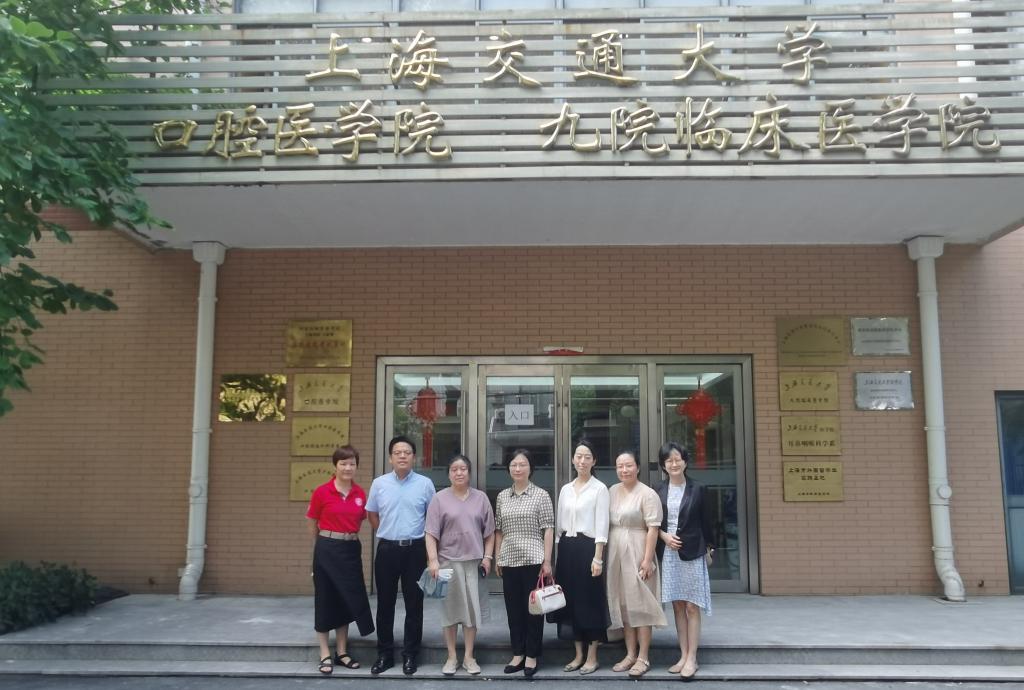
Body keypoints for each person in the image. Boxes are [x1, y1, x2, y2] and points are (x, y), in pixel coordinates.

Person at [366, 435, 436, 676]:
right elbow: (372, 514)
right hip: (387, 549)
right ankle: (384, 654)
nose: (402, 456)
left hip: (415, 549)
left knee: (414, 604)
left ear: (414, 457)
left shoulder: (425, 484)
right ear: (390, 458)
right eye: (398, 452)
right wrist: (388, 533)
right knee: (385, 604)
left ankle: (410, 655)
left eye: (407, 452)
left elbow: (433, 518)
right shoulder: (379, 483)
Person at [424, 453, 496, 677]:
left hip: (473, 563)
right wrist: (433, 560)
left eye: (463, 469)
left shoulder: (481, 498)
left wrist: (487, 557)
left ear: (469, 473)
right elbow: (430, 533)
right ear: (449, 473)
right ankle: (452, 656)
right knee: (450, 612)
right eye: (454, 469)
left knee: (471, 612)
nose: (459, 473)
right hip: (447, 562)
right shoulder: (439, 499)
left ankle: (469, 656)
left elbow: (490, 533)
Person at [305, 445, 375, 675]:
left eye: (352, 463)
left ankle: (342, 652)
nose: (347, 467)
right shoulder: (322, 492)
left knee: (346, 600)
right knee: (325, 599)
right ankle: (325, 652)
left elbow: (366, 519)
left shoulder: (360, 494)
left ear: (356, 466)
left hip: (350, 549)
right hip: (326, 548)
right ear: (335, 465)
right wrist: (318, 549)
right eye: (343, 463)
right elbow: (312, 522)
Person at [656, 442, 715, 681]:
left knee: (692, 605)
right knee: (678, 605)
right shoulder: (658, 489)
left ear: (685, 461)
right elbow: (652, 523)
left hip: (693, 551)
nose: (674, 464)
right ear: (663, 465)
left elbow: (707, 522)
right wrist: (664, 536)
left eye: (677, 459)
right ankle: (683, 655)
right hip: (669, 553)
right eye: (669, 460)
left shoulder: (698, 489)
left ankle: (692, 657)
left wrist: (710, 548)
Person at [605, 449, 666, 679]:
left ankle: (643, 657)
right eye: (620, 466)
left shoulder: (648, 494)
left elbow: (653, 528)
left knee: (641, 604)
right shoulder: (612, 491)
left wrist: (648, 560)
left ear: (638, 467)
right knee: (624, 605)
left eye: (629, 465)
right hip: (616, 553)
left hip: (639, 550)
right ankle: (630, 654)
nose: (624, 470)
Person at [494, 448, 554, 678]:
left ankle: (532, 655)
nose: (518, 469)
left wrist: (547, 561)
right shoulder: (502, 496)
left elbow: (548, 529)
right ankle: (518, 653)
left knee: (533, 610)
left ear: (531, 468)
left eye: (522, 464)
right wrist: (498, 556)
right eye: (513, 465)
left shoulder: (541, 495)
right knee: (513, 610)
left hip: (533, 560)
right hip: (509, 559)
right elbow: (499, 530)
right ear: (508, 469)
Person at [552, 439, 609, 675]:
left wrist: (598, 558)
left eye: (587, 457)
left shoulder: (600, 489)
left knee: (590, 602)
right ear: (573, 459)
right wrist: (557, 557)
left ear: (594, 461)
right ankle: (578, 654)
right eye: (578, 456)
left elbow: (602, 525)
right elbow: (558, 528)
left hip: (588, 548)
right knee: (571, 601)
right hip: (567, 548)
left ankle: (592, 656)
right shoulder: (565, 489)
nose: (582, 461)